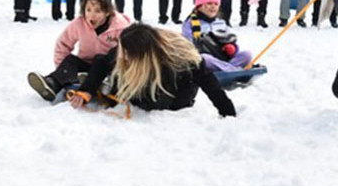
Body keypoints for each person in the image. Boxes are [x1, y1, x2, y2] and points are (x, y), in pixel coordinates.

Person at [67, 23, 236, 118]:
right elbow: (102, 62)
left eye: (125, 52)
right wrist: (86, 90)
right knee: (114, 66)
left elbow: (208, 81)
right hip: (144, 71)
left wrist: (228, 112)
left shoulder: (182, 60)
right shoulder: (127, 46)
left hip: (176, 93)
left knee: (153, 103)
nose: (121, 54)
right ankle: (116, 85)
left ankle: (121, 86)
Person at [26, 0, 131, 101]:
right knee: (70, 60)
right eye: (88, 10)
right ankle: (52, 84)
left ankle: (106, 83)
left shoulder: (121, 27)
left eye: (98, 11)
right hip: (85, 64)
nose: (92, 15)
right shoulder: (79, 24)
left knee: (105, 58)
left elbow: (129, 53)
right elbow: (63, 44)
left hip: (107, 68)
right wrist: (62, 71)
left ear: (108, 12)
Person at [183, 0, 253, 73]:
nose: (213, 6)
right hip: (206, 60)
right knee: (205, 59)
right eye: (209, 3)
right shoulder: (190, 24)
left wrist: (232, 48)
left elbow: (231, 41)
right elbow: (187, 46)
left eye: (216, 4)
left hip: (223, 57)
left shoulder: (221, 23)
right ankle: (232, 70)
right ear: (199, 6)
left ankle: (226, 69)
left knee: (247, 55)